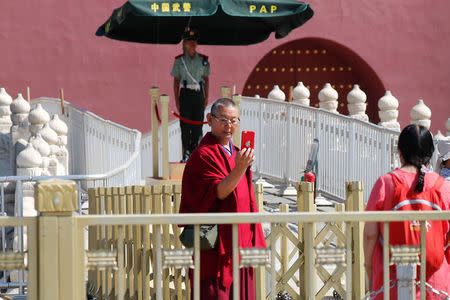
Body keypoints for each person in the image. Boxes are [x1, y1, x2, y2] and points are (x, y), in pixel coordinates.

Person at [179, 98, 266, 299]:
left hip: (241, 242)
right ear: (209, 119)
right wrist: (240, 168)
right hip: (217, 246)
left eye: (234, 121)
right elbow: (219, 192)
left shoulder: (236, 153)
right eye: (223, 120)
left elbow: (249, 200)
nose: (229, 126)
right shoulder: (203, 154)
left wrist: (255, 237)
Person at [363, 125, 450, 299]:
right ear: (431, 154)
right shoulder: (444, 186)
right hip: (435, 286)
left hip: (391, 284)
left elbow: (370, 235)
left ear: (400, 152)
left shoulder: (385, 183)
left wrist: (370, 272)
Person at [171, 28, 210, 162]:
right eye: (189, 42)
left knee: (198, 125)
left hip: (199, 94)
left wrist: (206, 97)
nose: (192, 44)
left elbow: (206, 79)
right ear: (185, 44)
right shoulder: (179, 61)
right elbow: (176, 81)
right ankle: (186, 153)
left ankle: (196, 153)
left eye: (194, 42)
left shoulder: (203, 60)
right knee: (185, 126)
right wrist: (176, 100)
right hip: (186, 94)